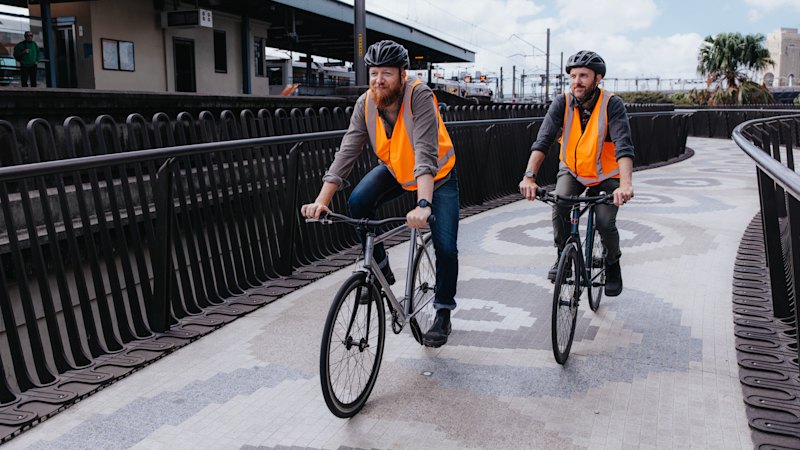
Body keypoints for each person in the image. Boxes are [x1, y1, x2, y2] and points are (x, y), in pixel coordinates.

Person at [300, 40, 459, 347]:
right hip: (398, 170)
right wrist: (322, 200)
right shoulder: (366, 103)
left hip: (437, 178)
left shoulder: (419, 95)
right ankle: (381, 270)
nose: (378, 80)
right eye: (373, 73)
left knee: (446, 247)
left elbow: (425, 152)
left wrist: (423, 204)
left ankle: (443, 313)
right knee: (358, 201)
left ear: (403, 74)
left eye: (386, 73)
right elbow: (347, 152)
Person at [519, 50, 634, 297]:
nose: (576, 81)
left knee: (605, 222)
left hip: (606, 175)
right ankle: (563, 257)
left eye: (583, 76)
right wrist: (529, 176)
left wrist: (625, 185)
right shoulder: (562, 102)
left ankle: (613, 264)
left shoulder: (612, 104)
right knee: (559, 204)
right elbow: (543, 140)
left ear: (598, 78)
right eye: (572, 76)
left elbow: (624, 146)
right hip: (572, 170)